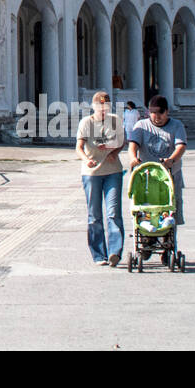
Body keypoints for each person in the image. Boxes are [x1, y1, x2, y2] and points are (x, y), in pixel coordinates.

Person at [77, 90, 126, 266]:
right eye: (100, 107)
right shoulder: (86, 123)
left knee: (113, 212)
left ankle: (115, 252)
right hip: (91, 174)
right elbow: (79, 146)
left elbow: (122, 140)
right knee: (94, 215)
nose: (103, 110)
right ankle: (99, 255)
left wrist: (115, 151)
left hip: (113, 171)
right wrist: (86, 159)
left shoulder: (115, 121)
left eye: (106, 107)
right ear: (94, 106)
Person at [128, 95, 188, 225]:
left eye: (160, 112)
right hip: (148, 177)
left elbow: (181, 146)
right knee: (147, 210)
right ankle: (148, 236)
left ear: (167, 111)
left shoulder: (176, 125)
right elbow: (133, 144)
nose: (156, 116)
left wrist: (171, 160)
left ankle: (170, 242)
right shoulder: (141, 125)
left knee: (171, 211)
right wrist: (133, 158)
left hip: (170, 175)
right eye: (153, 113)